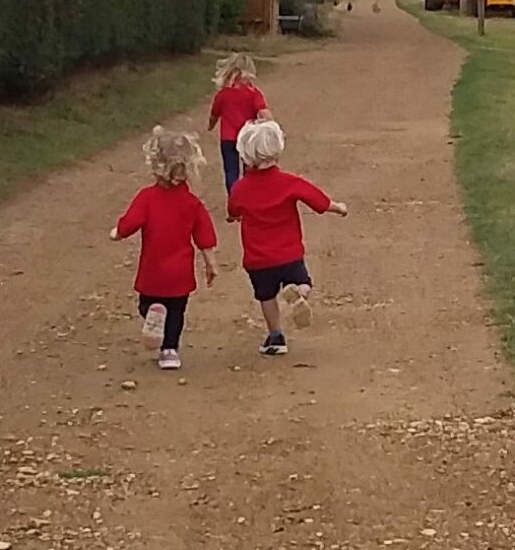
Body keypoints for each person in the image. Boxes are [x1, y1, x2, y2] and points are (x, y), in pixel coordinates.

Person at [225, 117, 346, 356]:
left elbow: (233, 210)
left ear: (245, 156)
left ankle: (276, 336)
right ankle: (299, 293)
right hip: (289, 254)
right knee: (303, 281)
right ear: (277, 150)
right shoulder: (289, 182)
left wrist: (233, 217)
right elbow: (317, 200)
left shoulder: (240, 188)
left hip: (258, 258)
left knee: (266, 296)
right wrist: (337, 206)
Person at [111, 126, 218, 370]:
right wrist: (211, 263)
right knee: (177, 311)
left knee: (146, 304)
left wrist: (118, 232)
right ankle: (170, 350)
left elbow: (130, 222)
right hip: (180, 272)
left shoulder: (147, 197)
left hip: (153, 270)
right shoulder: (192, 203)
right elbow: (205, 235)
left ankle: (152, 313)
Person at [206, 53, 271, 198]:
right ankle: (249, 199)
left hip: (228, 138)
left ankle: (234, 202)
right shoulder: (254, 93)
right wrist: (271, 127)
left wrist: (210, 126)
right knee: (250, 171)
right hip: (248, 138)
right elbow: (264, 112)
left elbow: (214, 114)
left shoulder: (223, 94)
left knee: (231, 171)